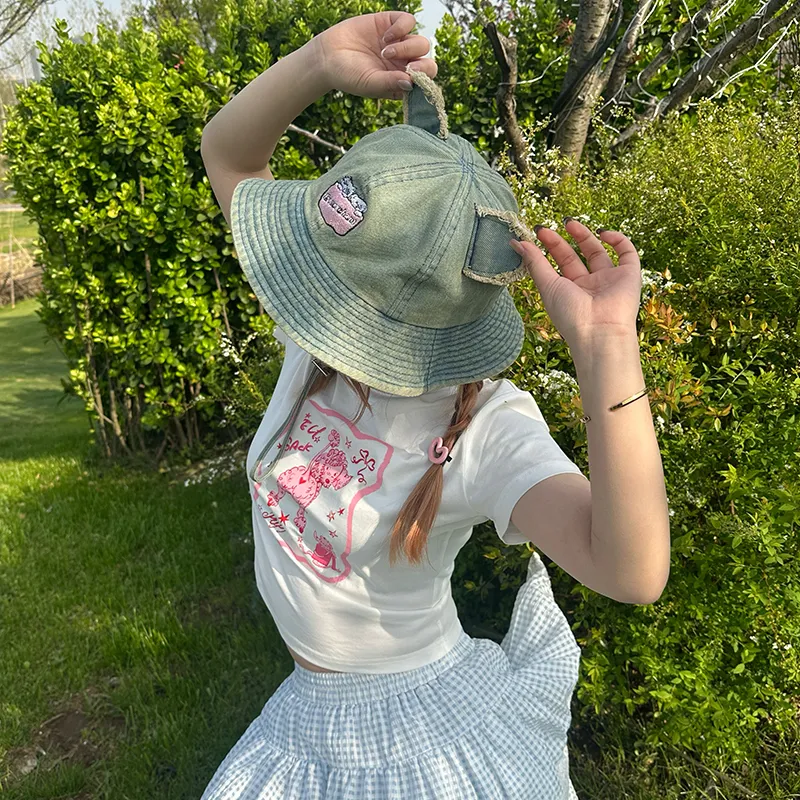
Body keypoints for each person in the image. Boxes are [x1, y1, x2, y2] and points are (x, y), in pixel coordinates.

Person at [199, 10, 671, 799]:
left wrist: (606, 350)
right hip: (308, 716)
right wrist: (319, 62)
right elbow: (227, 152)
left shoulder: (486, 427)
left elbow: (632, 570)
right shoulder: (317, 340)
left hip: (418, 742)